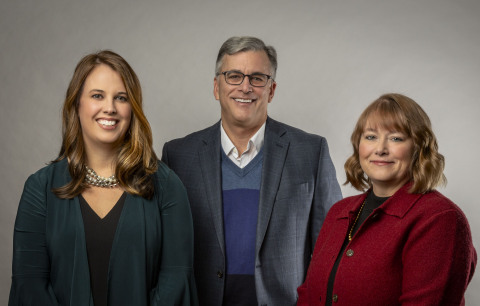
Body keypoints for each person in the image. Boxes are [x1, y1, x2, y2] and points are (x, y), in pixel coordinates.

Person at [161, 36, 342, 306]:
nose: (245, 87)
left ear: (271, 89)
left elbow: (332, 252)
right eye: (234, 76)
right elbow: (166, 254)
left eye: (257, 78)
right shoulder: (178, 156)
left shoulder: (311, 152)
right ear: (216, 87)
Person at [9, 50, 198, 306]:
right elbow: (29, 285)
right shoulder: (40, 187)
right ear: (77, 104)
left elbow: (177, 280)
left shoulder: (166, 186)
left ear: (133, 109)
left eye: (121, 98)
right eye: (97, 96)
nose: (109, 108)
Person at [297, 93, 477, 305]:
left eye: (396, 138)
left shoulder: (439, 218)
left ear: (419, 148)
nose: (380, 149)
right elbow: (308, 294)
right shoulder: (339, 212)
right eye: (371, 137)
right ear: (358, 145)